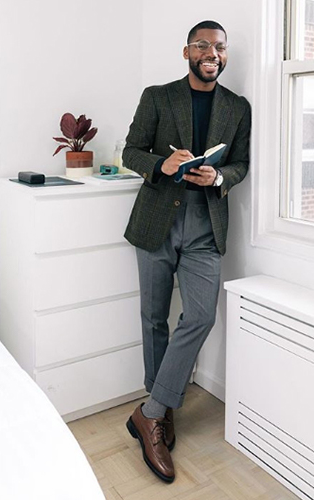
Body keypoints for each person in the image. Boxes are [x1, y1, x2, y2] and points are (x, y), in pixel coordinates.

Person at [123, 20, 251, 483]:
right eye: (203, 45)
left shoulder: (238, 107)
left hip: (205, 226)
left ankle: (151, 411)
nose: (211, 52)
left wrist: (217, 178)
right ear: (187, 52)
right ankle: (160, 410)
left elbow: (240, 163)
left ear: (225, 54)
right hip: (157, 220)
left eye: (219, 46)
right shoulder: (157, 96)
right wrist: (163, 163)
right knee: (154, 317)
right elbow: (131, 151)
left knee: (200, 315)